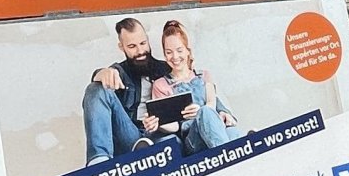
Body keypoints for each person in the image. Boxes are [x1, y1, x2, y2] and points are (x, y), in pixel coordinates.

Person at [139, 18, 239, 151]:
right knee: (208, 115)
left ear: (187, 51)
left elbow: (211, 105)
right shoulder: (161, 85)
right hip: (192, 140)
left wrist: (200, 112)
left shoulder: (204, 75)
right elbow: (174, 126)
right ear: (164, 54)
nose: (175, 57)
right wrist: (158, 123)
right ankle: (228, 155)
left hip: (213, 128)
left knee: (230, 130)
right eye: (169, 52)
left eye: (179, 50)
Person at [82, 17, 172, 163]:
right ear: (121, 47)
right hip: (130, 137)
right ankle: (98, 161)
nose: (140, 51)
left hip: (161, 135)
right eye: (132, 46)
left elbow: (195, 84)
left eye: (143, 43)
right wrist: (102, 73)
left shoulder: (167, 68)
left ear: (148, 40)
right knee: (96, 88)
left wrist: (221, 109)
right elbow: (101, 78)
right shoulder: (120, 71)